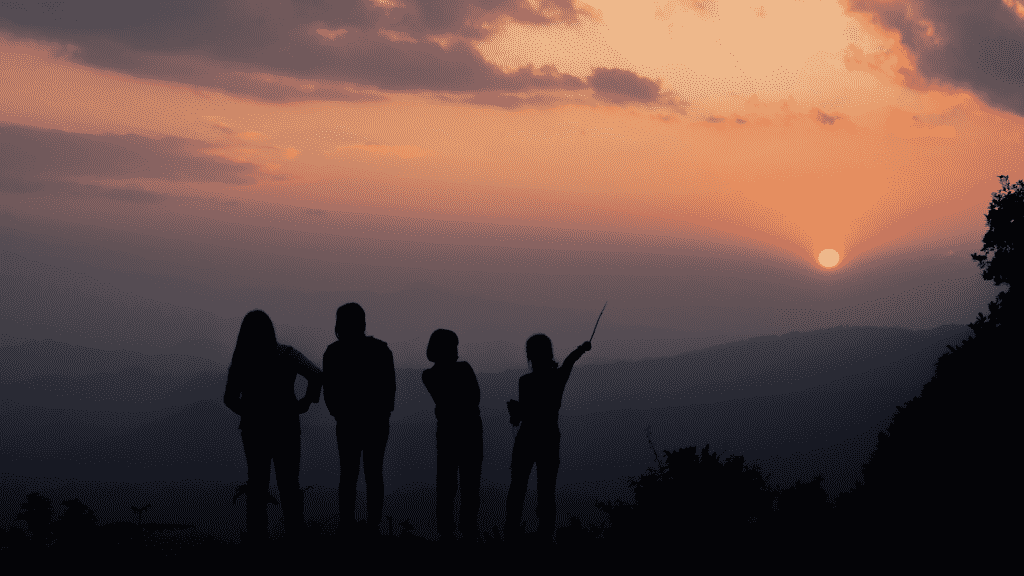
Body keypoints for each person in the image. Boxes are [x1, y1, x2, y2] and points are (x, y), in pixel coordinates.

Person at [223, 309, 322, 546]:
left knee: (257, 485)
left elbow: (229, 398)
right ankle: (295, 539)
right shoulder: (287, 354)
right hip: (287, 427)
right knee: (289, 484)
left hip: (254, 431)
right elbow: (316, 375)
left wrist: (250, 413)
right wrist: (306, 402)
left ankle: (258, 542)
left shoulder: (242, 360)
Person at [504, 334, 591, 543]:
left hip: (526, 438)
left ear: (530, 354)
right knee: (546, 489)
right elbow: (570, 361)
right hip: (549, 438)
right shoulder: (557, 377)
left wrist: (515, 412)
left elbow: (524, 414)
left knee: (517, 487)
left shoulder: (525, 381)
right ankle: (545, 535)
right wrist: (582, 348)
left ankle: (511, 533)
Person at [322, 303, 396, 539]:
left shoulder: (333, 353)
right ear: (363, 322)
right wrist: (381, 415)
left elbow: (330, 393)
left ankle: (347, 525)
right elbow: (389, 391)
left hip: (347, 423)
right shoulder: (381, 350)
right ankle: (373, 526)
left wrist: (341, 414)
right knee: (374, 473)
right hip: (376, 423)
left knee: (348, 474)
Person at [421, 329, 484, 543]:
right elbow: (474, 398)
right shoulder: (463, 369)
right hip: (470, 432)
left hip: (448, 433)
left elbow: (449, 400)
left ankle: (447, 531)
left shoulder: (429, 375)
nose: (457, 351)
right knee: (469, 484)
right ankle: (468, 529)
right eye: (453, 347)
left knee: (447, 484)